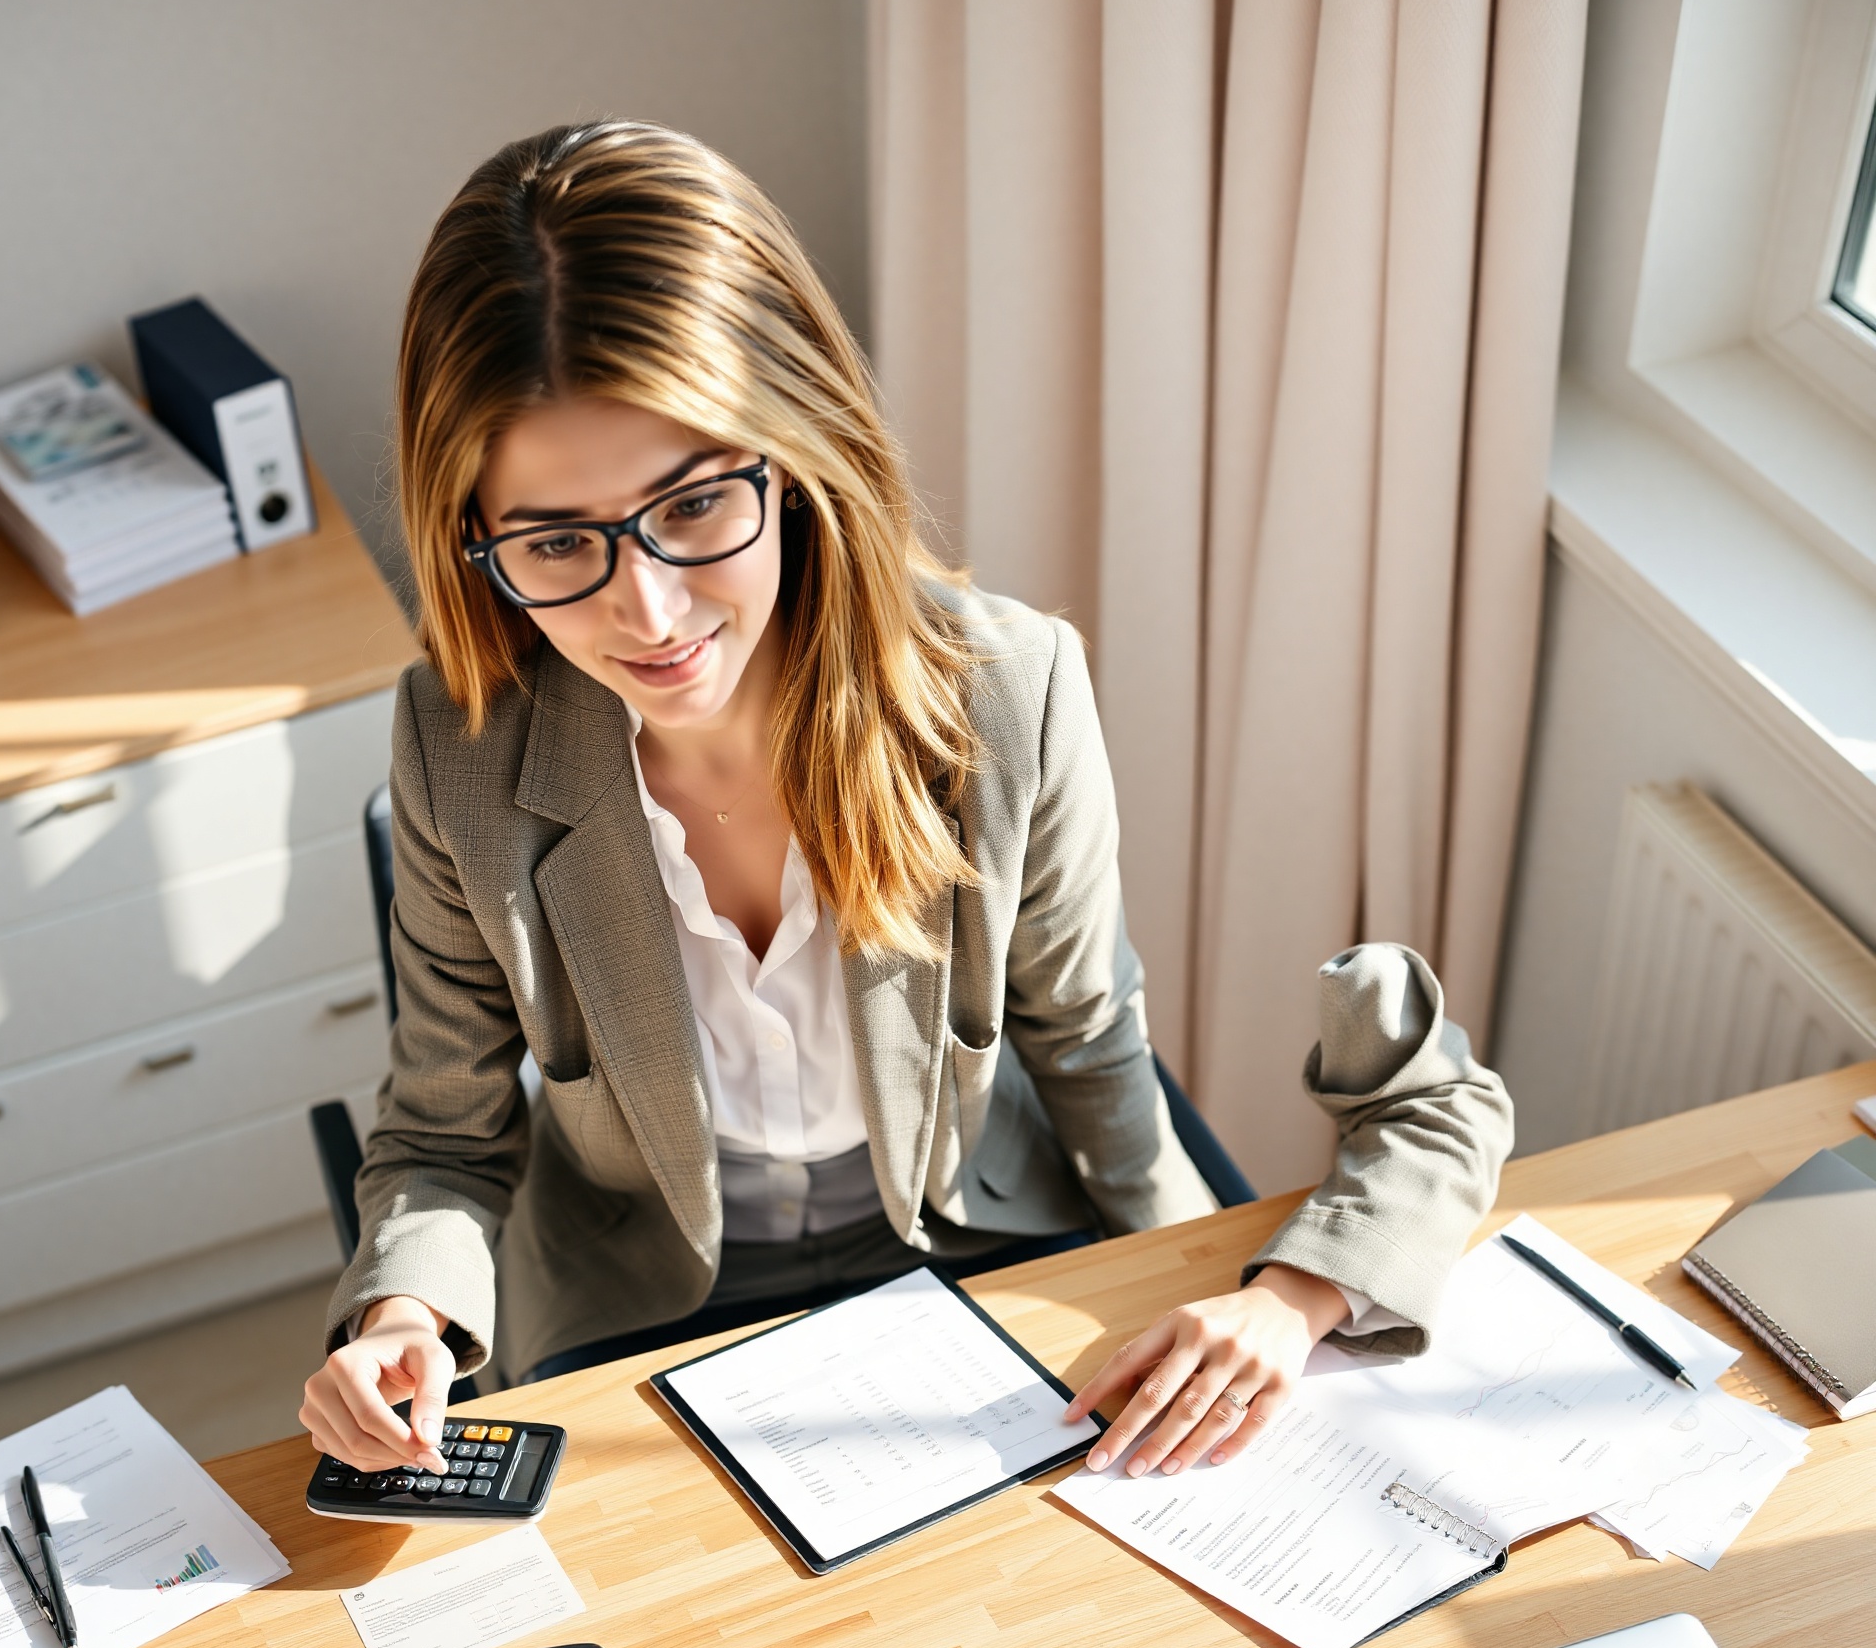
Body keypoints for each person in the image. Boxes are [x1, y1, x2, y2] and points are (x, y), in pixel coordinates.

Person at [299, 120, 1512, 1485]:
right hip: (645, 1311)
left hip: (977, 1259)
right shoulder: (458, 749)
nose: (647, 613)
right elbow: (442, 1139)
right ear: (474, 539)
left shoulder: (1006, 692)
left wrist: (1225, 1295)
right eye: (556, 541)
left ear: (799, 457)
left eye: (694, 506)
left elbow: (1092, 1049)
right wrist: (405, 1314)